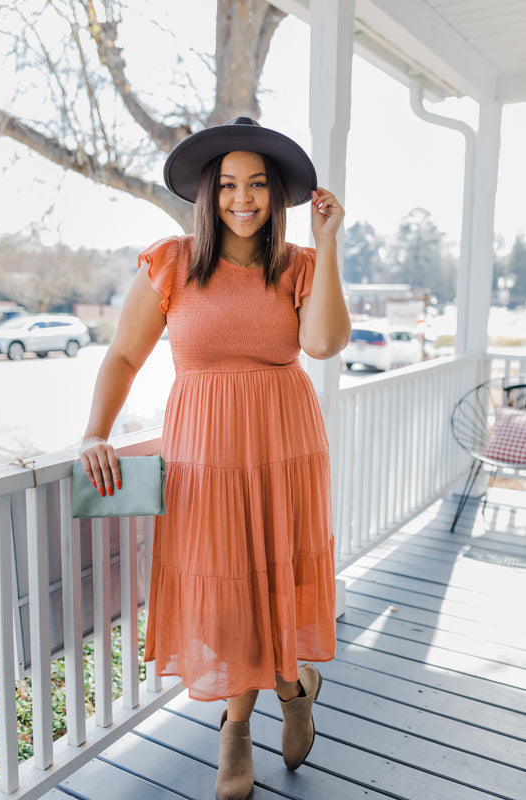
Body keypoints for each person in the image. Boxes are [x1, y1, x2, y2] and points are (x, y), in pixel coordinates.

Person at [79, 116, 351, 800]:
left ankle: (237, 730)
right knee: (228, 593)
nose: (242, 197)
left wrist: (326, 243)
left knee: (275, 581)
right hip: (203, 456)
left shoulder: (298, 266)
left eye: (257, 183)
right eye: (228, 184)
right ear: (208, 192)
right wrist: (94, 432)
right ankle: (292, 689)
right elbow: (124, 355)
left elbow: (323, 345)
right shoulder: (172, 262)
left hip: (283, 448)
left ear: (275, 194)